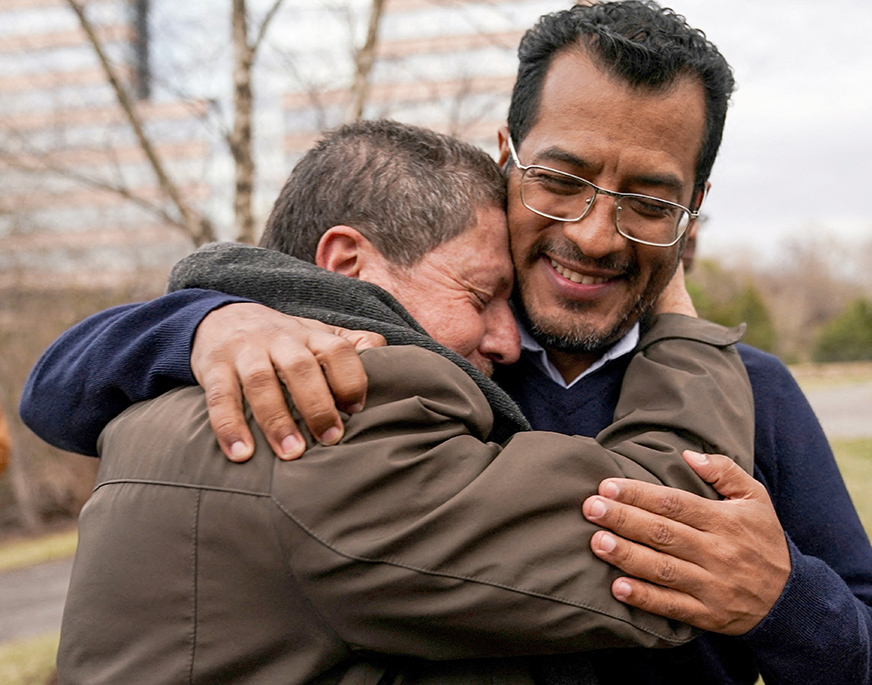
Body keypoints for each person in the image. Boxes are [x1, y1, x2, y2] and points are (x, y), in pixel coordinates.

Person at [22, 2, 872, 683]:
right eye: (563, 179)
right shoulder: (362, 366)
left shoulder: (749, 390)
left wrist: (783, 601)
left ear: (693, 208)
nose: (599, 235)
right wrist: (207, 319)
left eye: (649, 201)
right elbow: (59, 395)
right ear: (509, 158)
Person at [56, 120, 754, 684]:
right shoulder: (336, 420)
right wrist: (674, 307)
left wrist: (200, 320)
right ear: (349, 264)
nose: (508, 340)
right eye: (482, 295)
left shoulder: (167, 388)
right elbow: (676, 532)